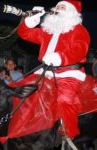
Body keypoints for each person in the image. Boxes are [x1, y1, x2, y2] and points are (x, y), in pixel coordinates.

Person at [17, 0, 90, 138]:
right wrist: (30, 21)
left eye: (62, 7)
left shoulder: (79, 30)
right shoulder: (48, 31)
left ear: (71, 12)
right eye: (57, 6)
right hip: (46, 72)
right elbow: (24, 34)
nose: (58, 9)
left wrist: (60, 57)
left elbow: (80, 49)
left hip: (69, 73)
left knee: (65, 99)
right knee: (23, 91)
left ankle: (68, 133)